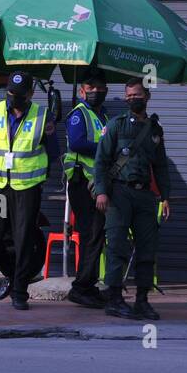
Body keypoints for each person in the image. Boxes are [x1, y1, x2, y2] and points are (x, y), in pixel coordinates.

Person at [94, 78, 171, 321]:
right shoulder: (116, 125)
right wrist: (101, 191)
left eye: (136, 95)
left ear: (147, 96)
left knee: (147, 248)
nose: (131, 100)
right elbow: (101, 161)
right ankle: (115, 298)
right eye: (128, 96)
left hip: (144, 195)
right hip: (119, 194)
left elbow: (160, 167)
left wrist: (165, 197)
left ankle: (142, 300)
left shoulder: (155, 130)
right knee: (117, 246)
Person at [0, 71, 56, 311]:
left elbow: (53, 151)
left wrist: (40, 173)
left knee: (23, 238)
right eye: (10, 93)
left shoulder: (42, 116)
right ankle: (13, 276)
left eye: (19, 95)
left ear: (31, 95)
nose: (14, 98)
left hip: (27, 187)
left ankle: (20, 291)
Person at [62, 70, 109, 309]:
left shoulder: (101, 115)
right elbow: (78, 142)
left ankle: (88, 285)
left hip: (96, 184)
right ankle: (81, 288)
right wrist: (105, 146)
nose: (96, 93)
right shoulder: (78, 115)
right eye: (91, 89)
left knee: (97, 235)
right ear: (82, 91)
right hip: (82, 184)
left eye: (100, 89)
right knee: (91, 234)